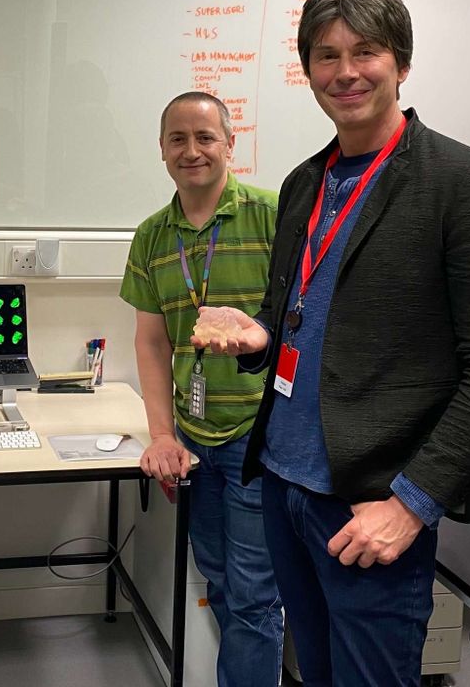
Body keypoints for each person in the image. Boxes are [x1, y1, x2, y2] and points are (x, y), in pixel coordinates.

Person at [192, 0, 470, 686]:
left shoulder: (464, 182)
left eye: (367, 51)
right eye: (327, 55)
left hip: (371, 501)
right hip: (282, 484)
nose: (345, 71)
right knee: (313, 675)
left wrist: (411, 504)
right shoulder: (304, 184)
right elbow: (306, 316)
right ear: (308, 69)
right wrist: (257, 337)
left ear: (400, 63)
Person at [120, 91, 283, 686]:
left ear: (229, 144)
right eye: (178, 140)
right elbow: (152, 342)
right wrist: (162, 433)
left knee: (254, 595)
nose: (192, 151)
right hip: (194, 439)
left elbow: (308, 318)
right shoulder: (152, 236)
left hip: (258, 439)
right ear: (162, 150)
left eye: (205, 138)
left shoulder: (272, 214)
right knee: (217, 576)